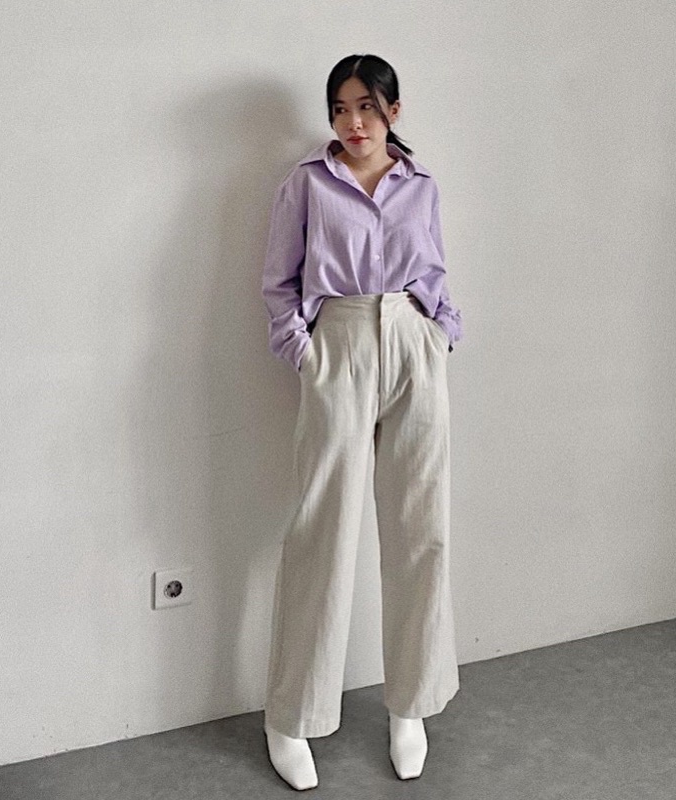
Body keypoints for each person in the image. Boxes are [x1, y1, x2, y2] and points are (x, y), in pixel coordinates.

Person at [261, 53, 462, 791]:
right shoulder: (307, 184)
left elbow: (433, 272)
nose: (353, 122)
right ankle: (291, 716)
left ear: (392, 113)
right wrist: (305, 351)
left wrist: (440, 332)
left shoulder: (421, 186)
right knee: (322, 531)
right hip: (339, 344)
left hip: (412, 343)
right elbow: (279, 283)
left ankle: (410, 707)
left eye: (367, 108)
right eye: (342, 109)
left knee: (421, 527)